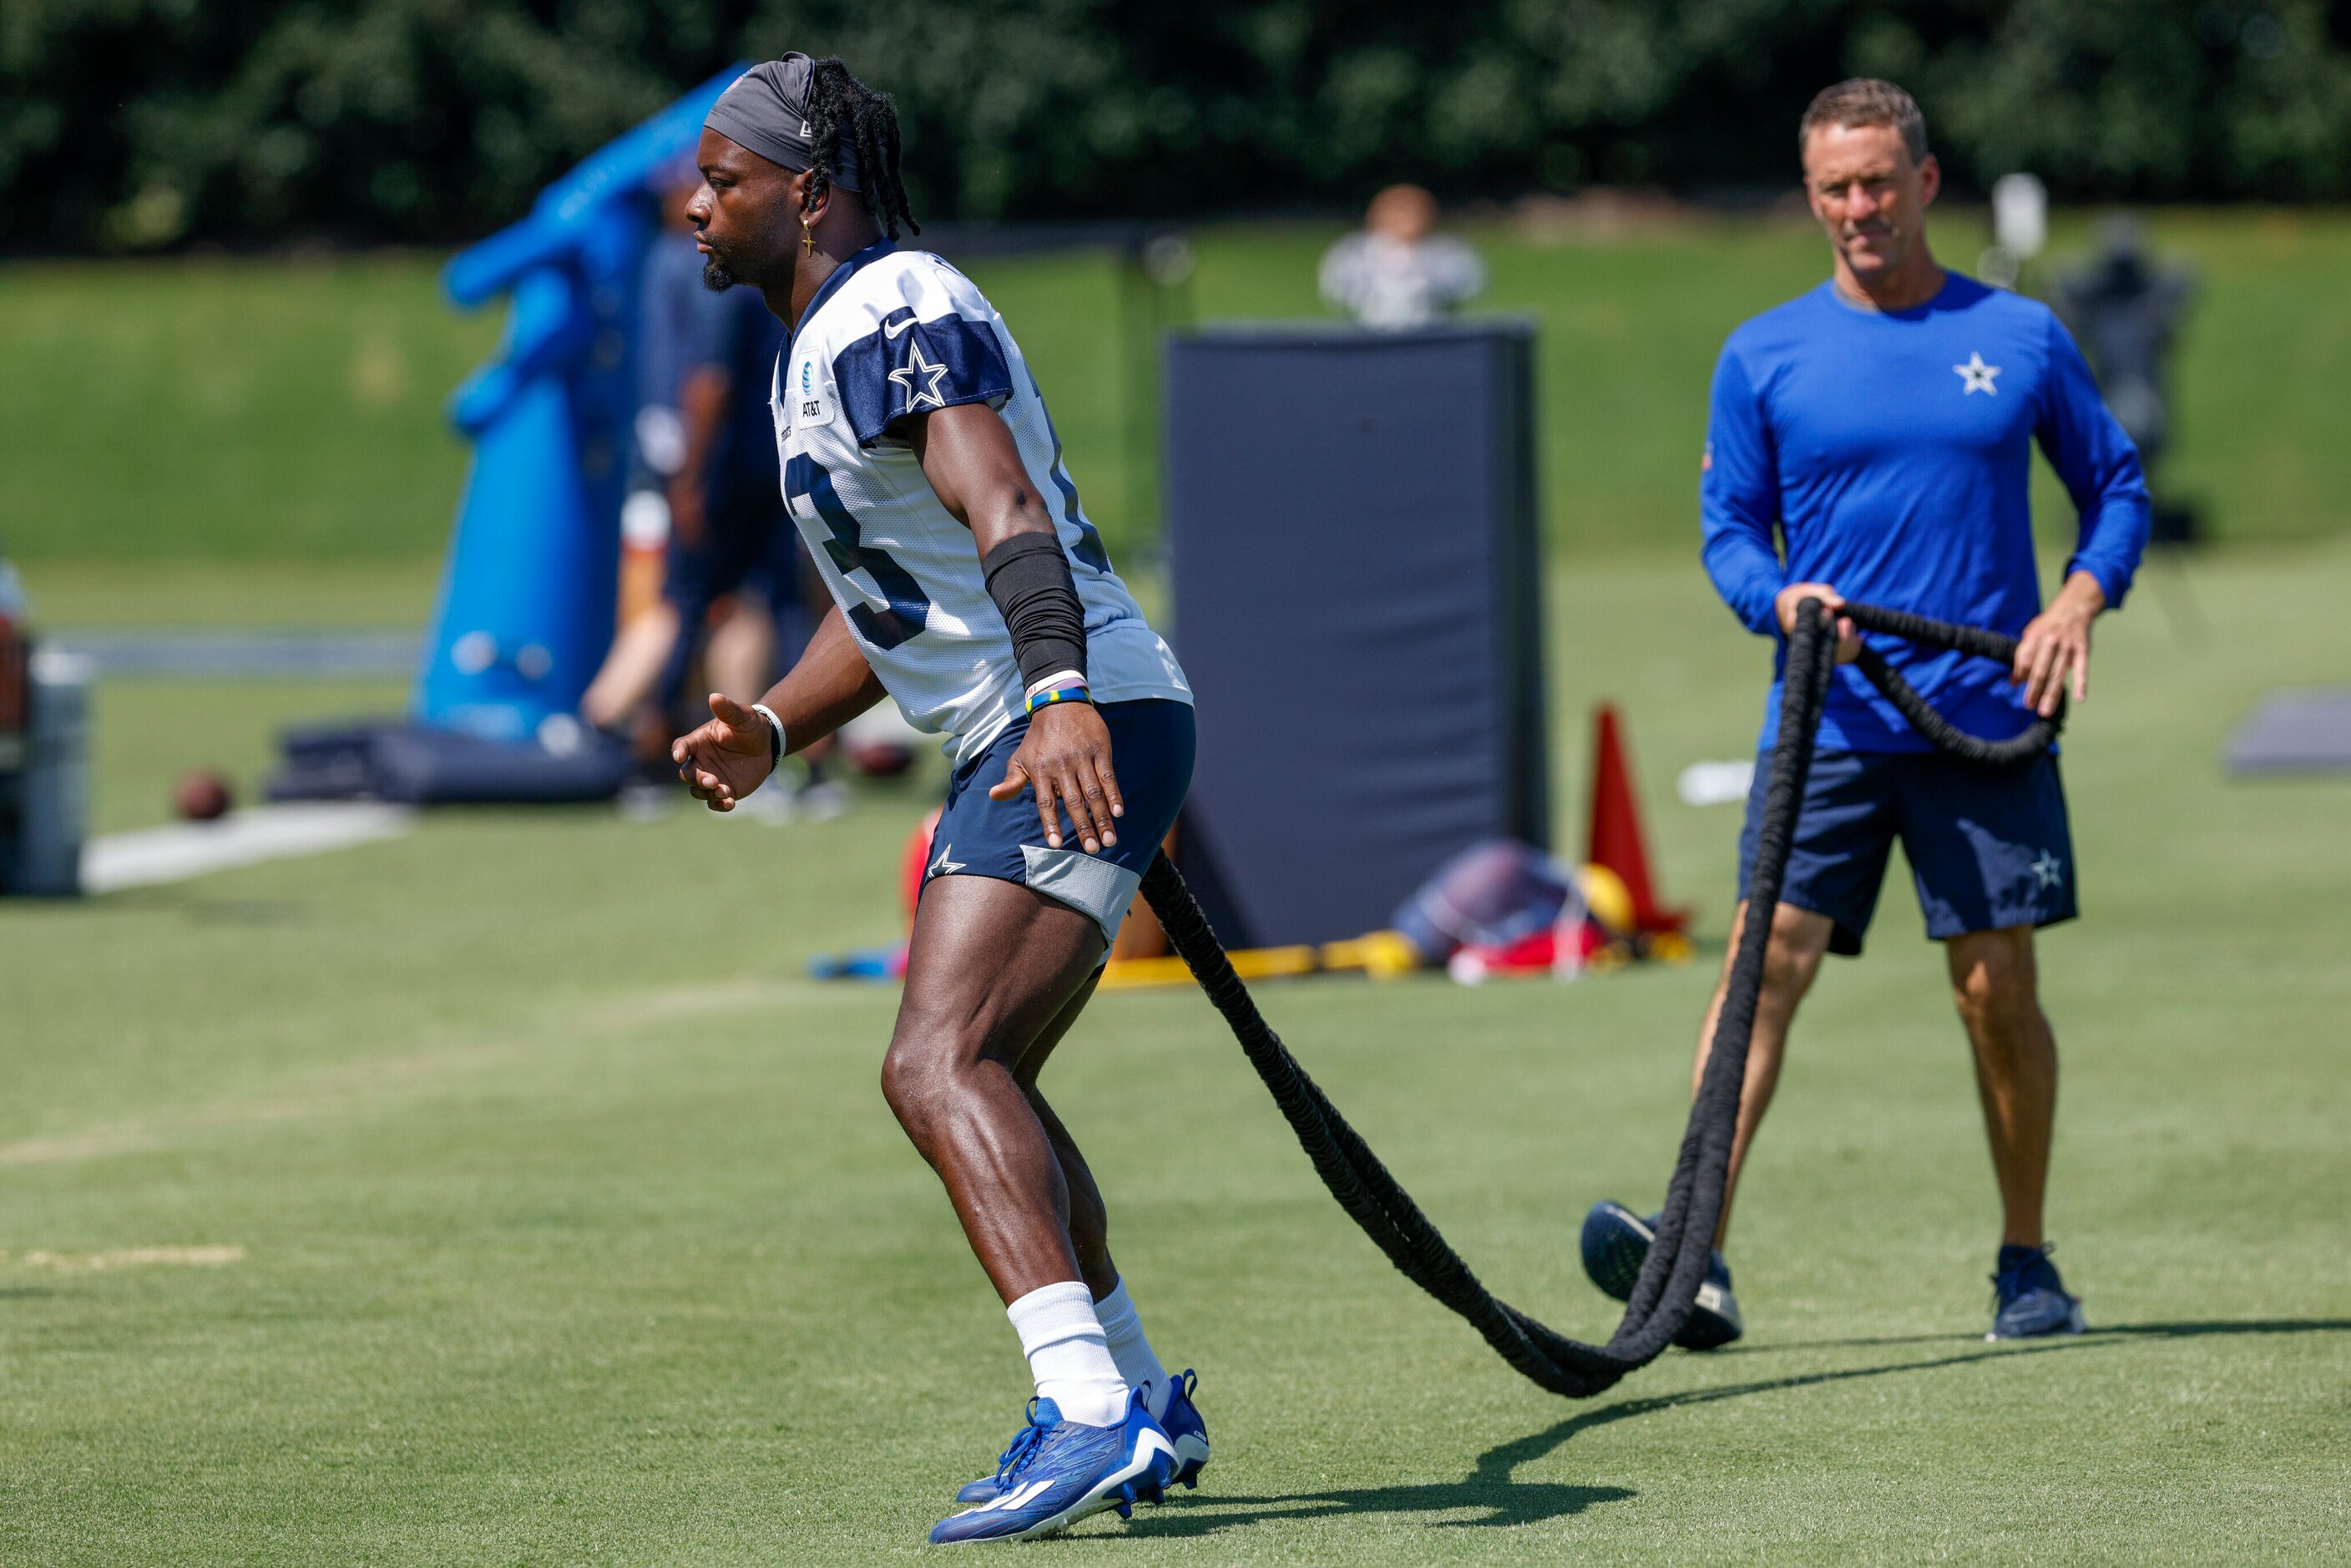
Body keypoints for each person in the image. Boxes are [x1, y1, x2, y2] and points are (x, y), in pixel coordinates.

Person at [665, 55, 1204, 1544]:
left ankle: (1088, 1409)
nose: (693, 203)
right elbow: (896, 593)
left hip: (1070, 717)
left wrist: (1052, 693)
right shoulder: (824, 338)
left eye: (725, 178)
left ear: (811, 191)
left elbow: (1001, 510)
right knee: (985, 1072)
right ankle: (1139, 1395)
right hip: (1045, 717)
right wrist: (778, 720)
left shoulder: (890, 307)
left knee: (935, 1061)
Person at [1581, 79, 2150, 1348]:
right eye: (1835, 189)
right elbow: (1730, 531)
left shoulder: (2020, 335)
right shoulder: (1764, 352)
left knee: (1996, 991)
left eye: (1879, 183)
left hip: (1983, 722)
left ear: (1926, 183)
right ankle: (1696, 1263)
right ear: (1813, 197)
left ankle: (2025, 1262)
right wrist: (1775, 600)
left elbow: (2115, 488)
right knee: (1754, 975)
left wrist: (2077, 603)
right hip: (1827, 723)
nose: (1858, 209)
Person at [581, 154, 842, 818]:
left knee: (690, 599)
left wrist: (691, 479)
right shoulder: (756, 259)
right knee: (775, 606)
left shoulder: (710, 267)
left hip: (724, 464)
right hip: (770, 454)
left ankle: (646, 754)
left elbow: (709, 382)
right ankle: (800, 759)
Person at [1317, 184, 1484, 329]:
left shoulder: (1451, 253)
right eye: (1396, 210)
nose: (1405, 217)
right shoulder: (1352, 252)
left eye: (1414, 209)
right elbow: (1338, 290)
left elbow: (1466, 287)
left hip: (1434, 335)